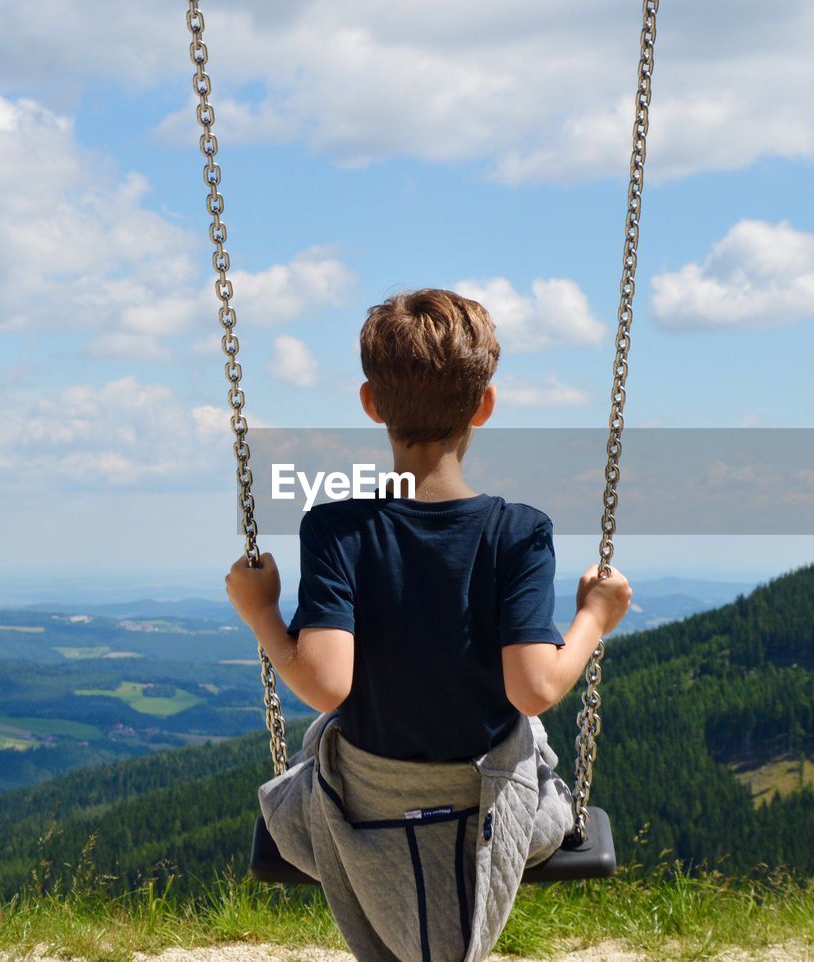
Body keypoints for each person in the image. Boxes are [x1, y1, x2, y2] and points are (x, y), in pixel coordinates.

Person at [225, 288, 632, 962]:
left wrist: (260, 612)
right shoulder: (520, 532)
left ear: (370, 404)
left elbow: (326, 685)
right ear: (485, 405)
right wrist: (595, 617)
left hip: (366, 807)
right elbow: (534, 689)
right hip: (491, 808)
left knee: (315, 756)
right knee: (535, 747)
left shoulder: (336, 527)